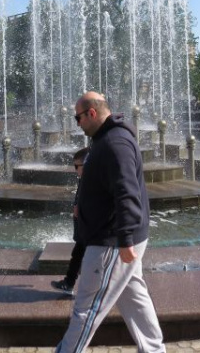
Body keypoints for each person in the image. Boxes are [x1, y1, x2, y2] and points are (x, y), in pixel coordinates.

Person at [55, 91, 165, 353]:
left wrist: (125, 239)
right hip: (114, 238)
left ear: (92, 113)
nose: (77, 124)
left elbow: (127, 192)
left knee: (87, 308)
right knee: (135, 298)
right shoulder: (105, 139)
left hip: (112, 241)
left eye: (77, 117)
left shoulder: (115, 143)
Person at [51, 147, 88, 295]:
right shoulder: (83, 179)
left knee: (81, 255)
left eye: (77, 166)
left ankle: (70, 283)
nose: (75, 170)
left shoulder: (91, 181)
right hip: (83, 226)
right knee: (78, 253)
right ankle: (69, 283)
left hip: (88, 227)